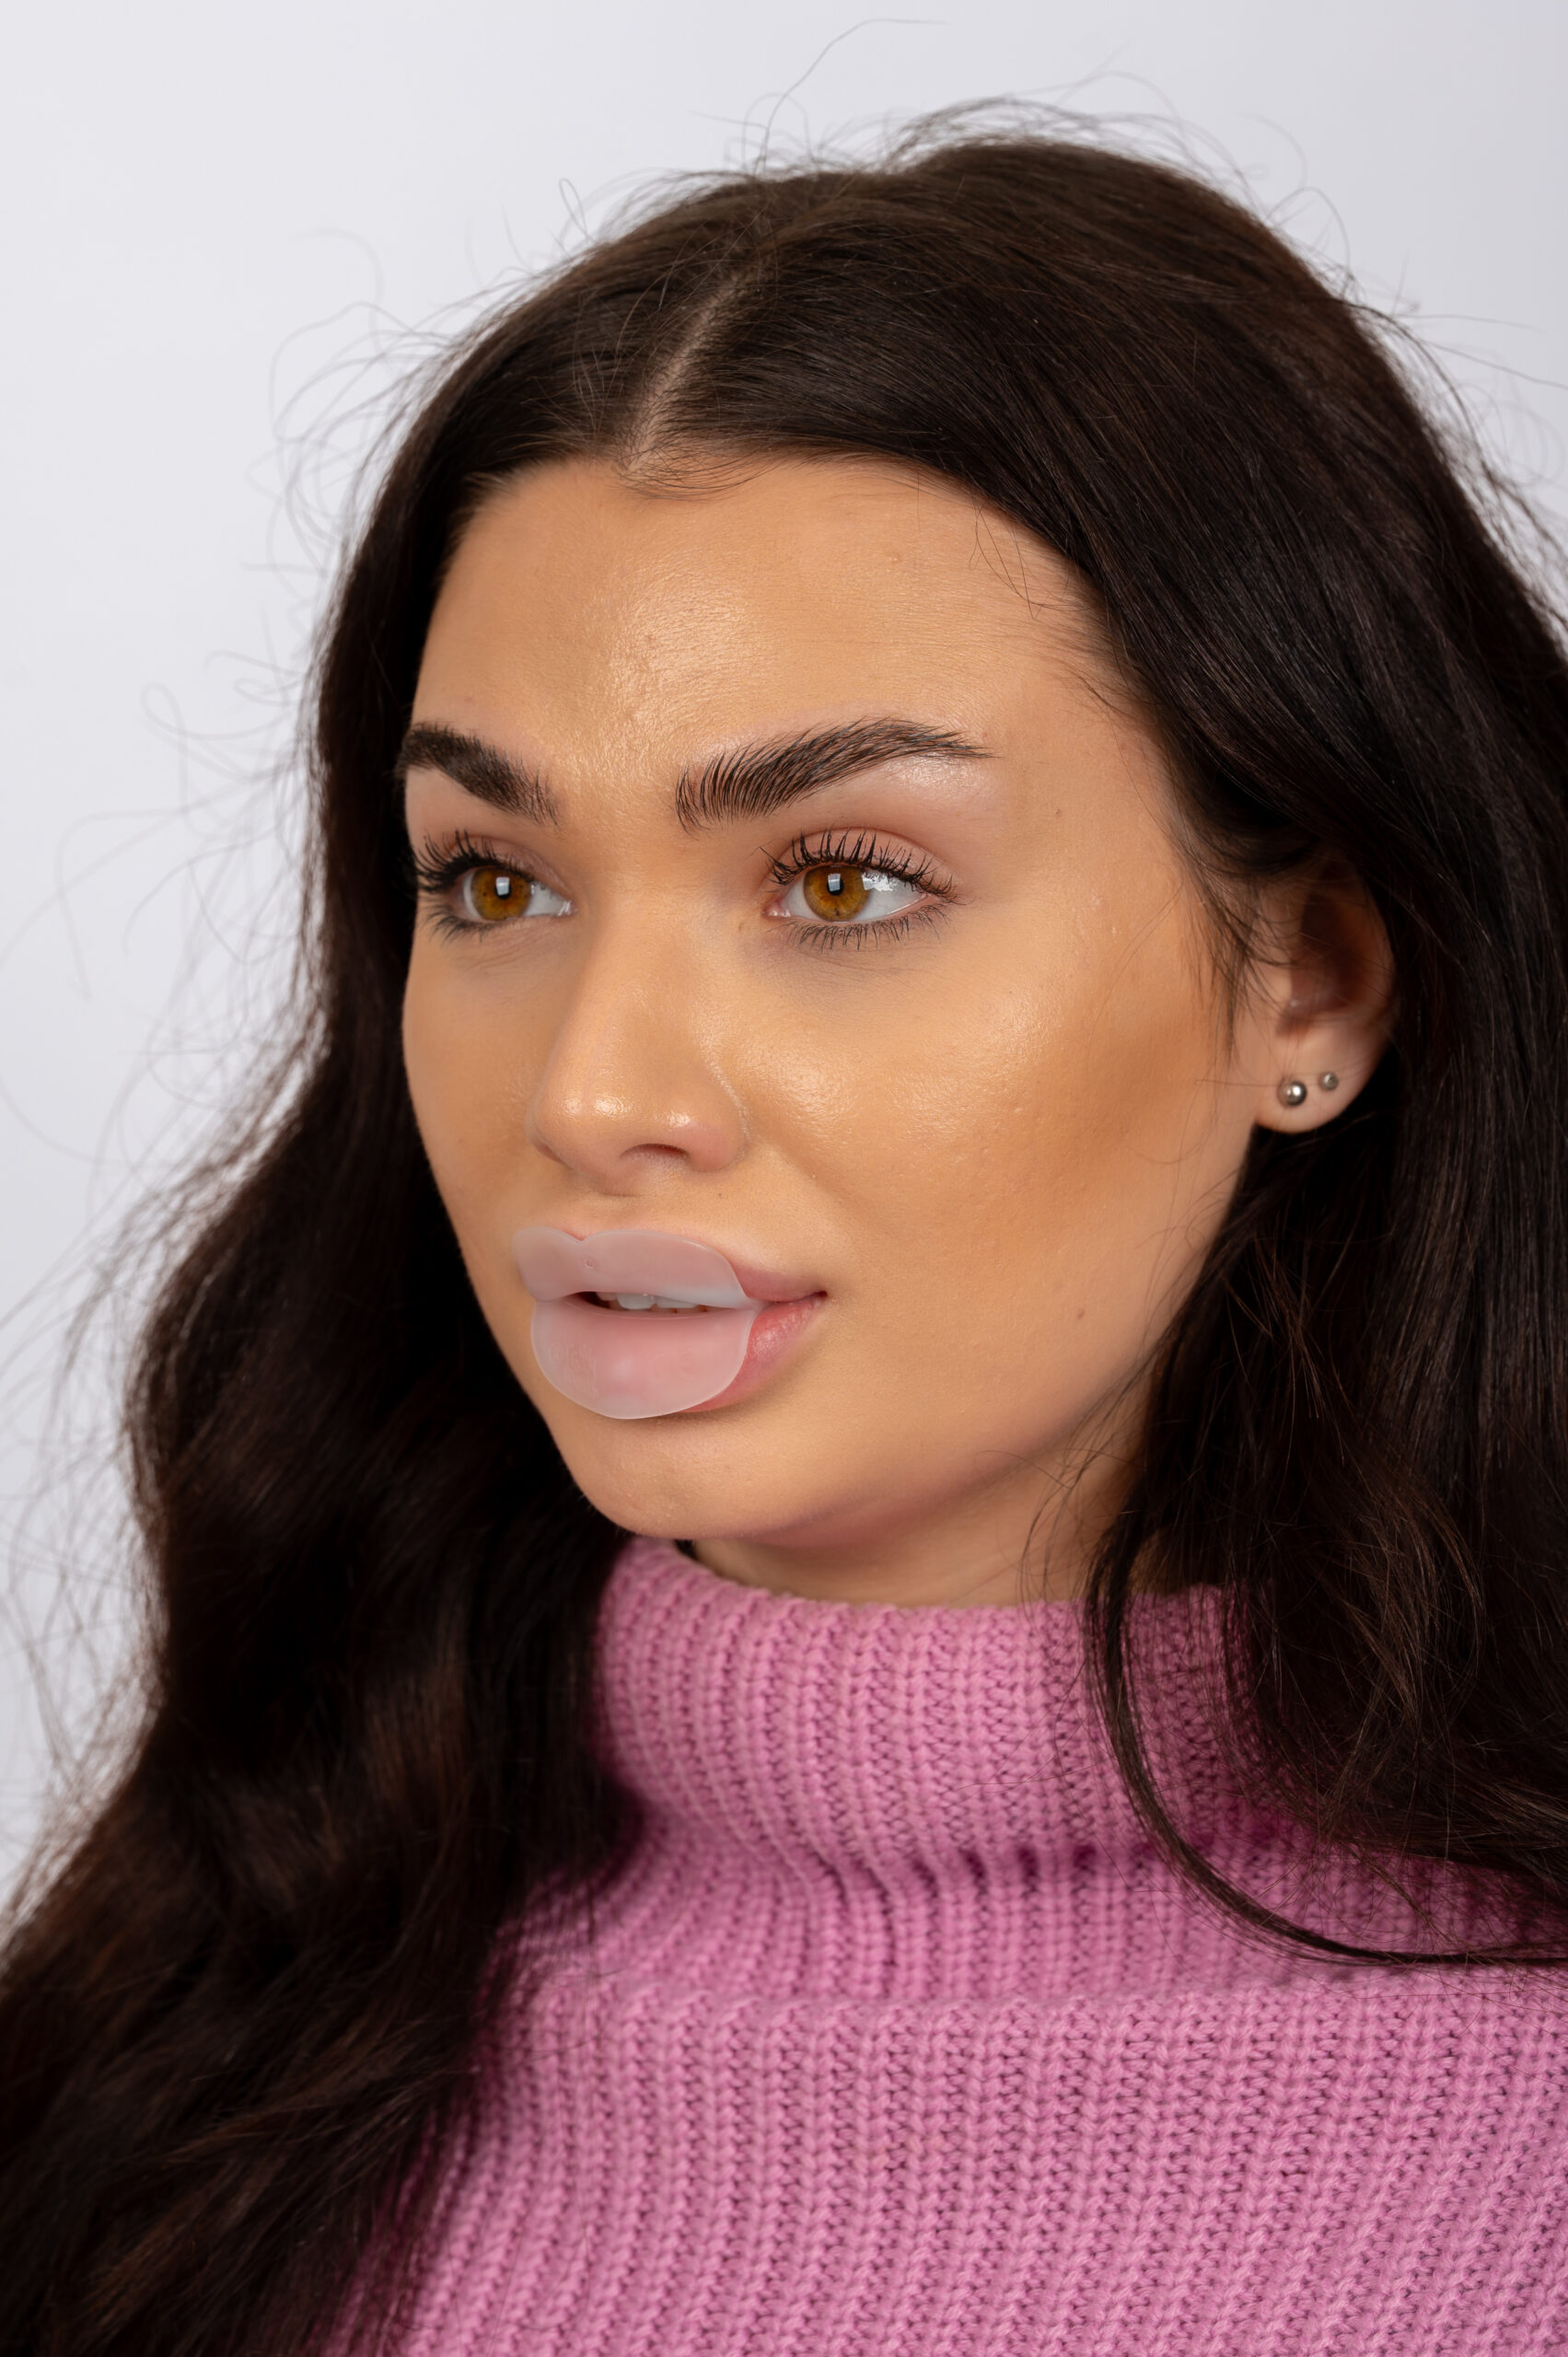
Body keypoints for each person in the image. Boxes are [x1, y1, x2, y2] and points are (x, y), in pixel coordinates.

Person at [4, 117, 1568, 2356]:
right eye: (495, 880)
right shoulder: (184, 2021)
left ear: (1310, 978)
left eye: (842, 880)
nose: (592, 1091)